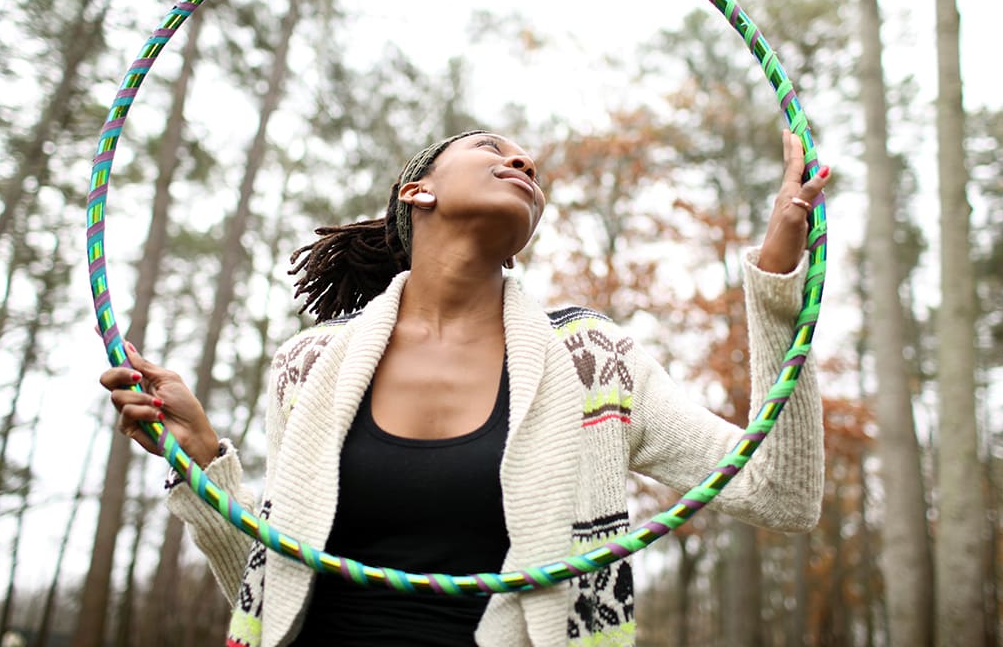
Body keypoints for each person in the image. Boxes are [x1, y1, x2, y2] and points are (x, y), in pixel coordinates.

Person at [103, 128, 829, 647]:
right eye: (491, 148)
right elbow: (271, 596)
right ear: (416, 191)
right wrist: (199, 458)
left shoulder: (596, 362)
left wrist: (776, 282)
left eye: (529, 164)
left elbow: (779, 492)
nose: (523, 159)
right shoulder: (308, 366)